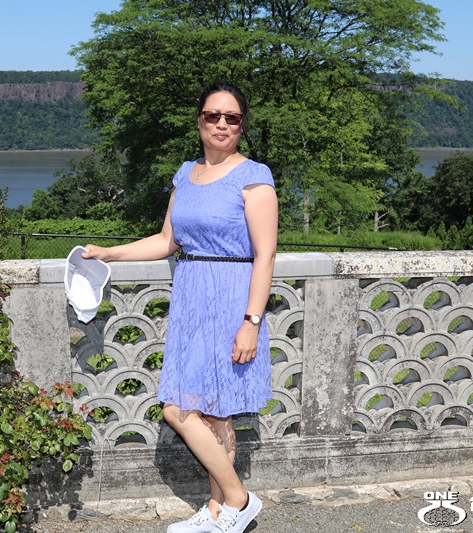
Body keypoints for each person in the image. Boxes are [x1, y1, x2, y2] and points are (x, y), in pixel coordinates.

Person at [82, 81, 278, 533]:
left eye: (232, 117)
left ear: (242, 125)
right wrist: (109, 253)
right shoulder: (185, 174)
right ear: (199, 120)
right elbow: (167, 240)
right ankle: (221, 512)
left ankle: (235, 502)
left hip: (232, 299)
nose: (222, 124)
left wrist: (251, 322)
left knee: (195, 410)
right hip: (192, 300)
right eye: (213, 115)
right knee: (202, 412)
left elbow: (265, 255)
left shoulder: (254, 177)